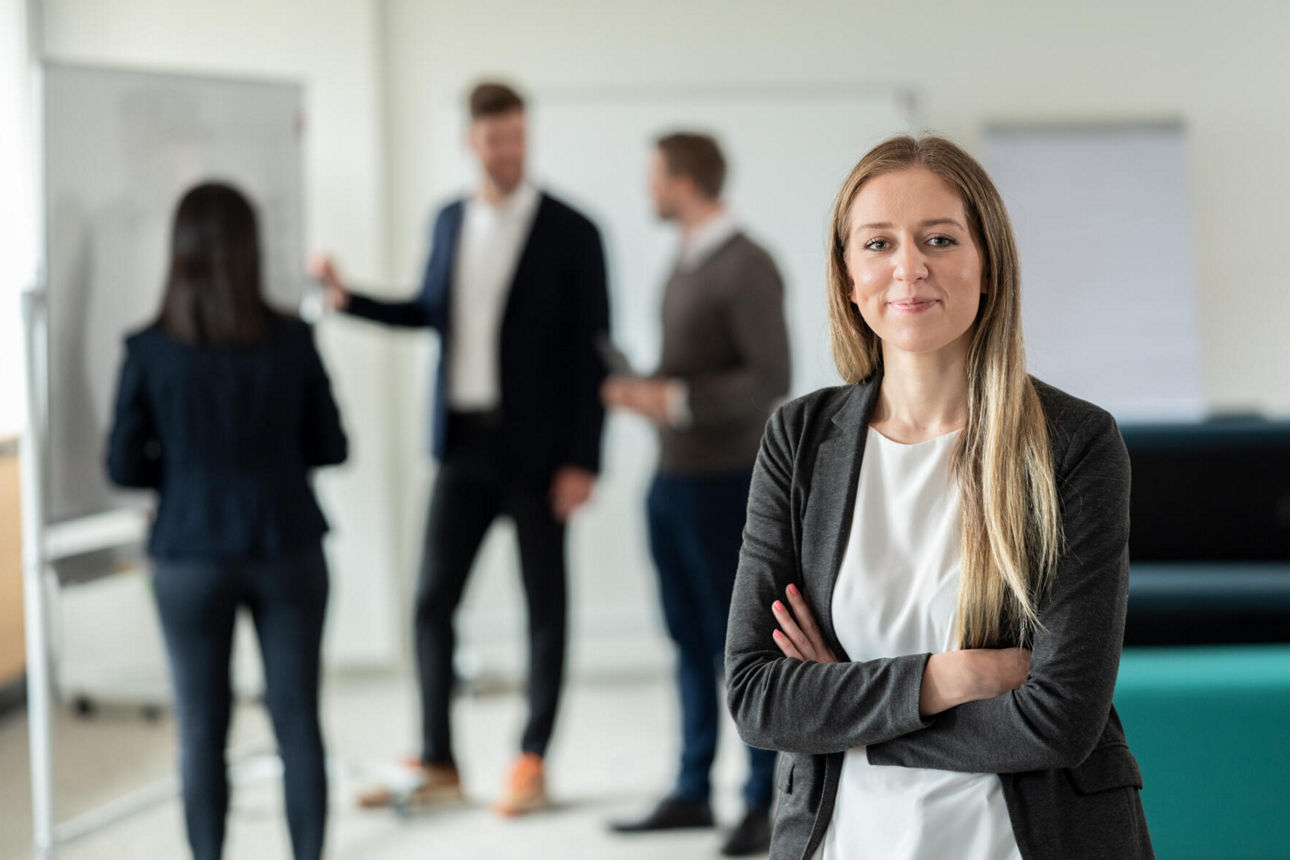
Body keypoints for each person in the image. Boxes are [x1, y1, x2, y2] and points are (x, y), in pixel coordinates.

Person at [724, 135, 1155, 860]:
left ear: (987, 266)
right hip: (844, 839)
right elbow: (758, 696)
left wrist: (847, 704)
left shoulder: (1073, 444)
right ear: (847, 276)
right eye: (879, 243)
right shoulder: (798, 439)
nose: (908, 267)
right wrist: (943, 677)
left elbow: (1058, 719)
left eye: (939, 238)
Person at [313, 81, 609, 816]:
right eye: (493, 140)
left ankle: (532, 759)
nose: (506, 152)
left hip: (542, 454)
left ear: (526, 138)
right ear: (470, 141)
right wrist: (350, 300)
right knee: (431, 602)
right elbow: (427, 310)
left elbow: (591, 355)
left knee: (546, 609)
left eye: (517, 138)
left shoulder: (574, 230)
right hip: (463, 445)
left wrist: (585, 460)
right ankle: (439, 758)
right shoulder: (448, 220)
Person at [106, 182, 348, 860]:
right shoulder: (292, 341)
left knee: (200, 730)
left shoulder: (149, 349)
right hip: (287, 544)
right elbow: (333, 446)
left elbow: (123, 465)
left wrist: (180, 469)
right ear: (251, 251)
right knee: (298, 722)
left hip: (188, 552)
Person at [605, 133, 790, 856]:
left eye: (655, 177)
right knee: (685, 639)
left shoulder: (748, 265)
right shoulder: (683, 259)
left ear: (684, 181)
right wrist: (646, 387)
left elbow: (767, 379)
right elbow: (695, 367)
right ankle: (690, 788)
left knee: (737, 646)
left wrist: (674, 401)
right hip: (672, 477)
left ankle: (761, 797)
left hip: (725, 482)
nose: (648, 190)